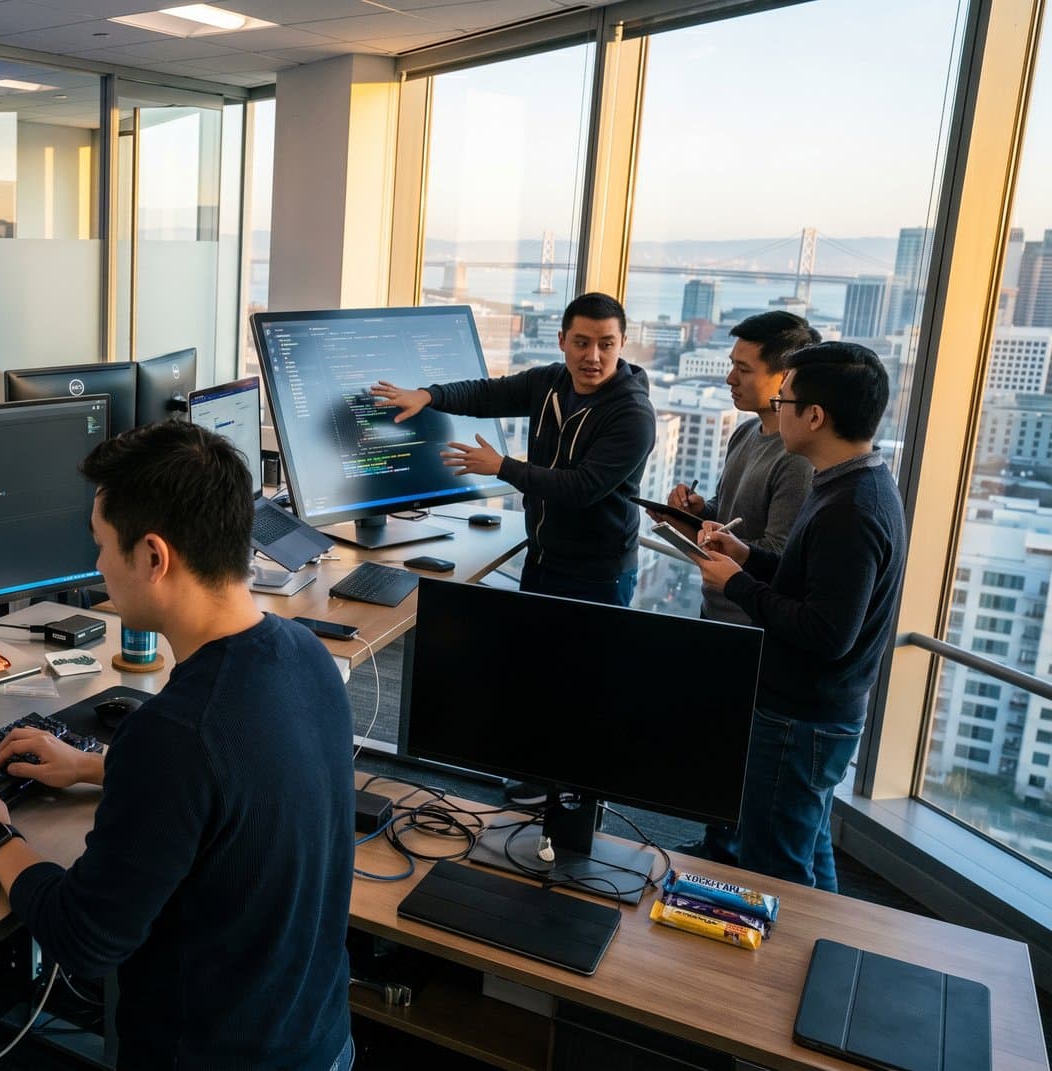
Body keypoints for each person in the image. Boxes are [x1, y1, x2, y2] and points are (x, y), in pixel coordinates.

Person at [0, 420, 357, 1070]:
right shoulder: (304, 653)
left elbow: (83, 939)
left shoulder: (177, 733)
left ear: (154, 557)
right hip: (320, 1043)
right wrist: (94, 765)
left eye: (101, 545)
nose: (97, 566)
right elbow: (236, 787)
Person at [696, 342, 906, 891]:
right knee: (806, 845)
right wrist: (748, 557)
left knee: (775, 869)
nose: (776, 410)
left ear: (815, 416)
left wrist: (736, 585)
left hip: (800, 716)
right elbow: (808, 581)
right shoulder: (852, 482)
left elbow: (826, 632)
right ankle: (828, 936)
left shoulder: (851, 510)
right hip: (818, 711)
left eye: (783, 400)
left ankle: (789, 949)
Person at [372, 292, 656, 606]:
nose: (593, 356)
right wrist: (428, 396)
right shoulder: (549, 382)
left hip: (598, 576)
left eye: (606, 344)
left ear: (622, 343)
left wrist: (501, 466)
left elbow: (581, 488)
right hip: (541, 560)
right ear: (562, 340)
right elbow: (487, 394)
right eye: (581, 342)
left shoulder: (633, 415)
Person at [663, 311, 819, 866]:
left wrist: (722, 544)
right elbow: (732, 519)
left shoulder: (796, 462)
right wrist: (696, 513)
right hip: (720, 619)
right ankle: (717, 849)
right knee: (721, 749)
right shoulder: (747, 432)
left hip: (753, 630)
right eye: (731, 365)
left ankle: (730, 861)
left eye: (743, 368)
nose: (730, 377)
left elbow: (775, 555)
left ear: (784, 377)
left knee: (750, 765)